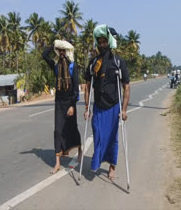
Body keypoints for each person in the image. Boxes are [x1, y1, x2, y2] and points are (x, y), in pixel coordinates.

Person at [84, 25, 130, 180]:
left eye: (105, 42)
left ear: (109, 43)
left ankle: (112, 167)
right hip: (98, 106)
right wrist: (86, 107)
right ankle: (96, 162)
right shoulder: (93, 63)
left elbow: (126, 87)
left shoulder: (118, 62)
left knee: (112, 138)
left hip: (113, 107)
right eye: (100, 42)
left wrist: (123, 110)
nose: (102, 44)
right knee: (97, 135)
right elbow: (87, 87)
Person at [42, 40, 82, 174]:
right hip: (59, 102)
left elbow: (76, 89)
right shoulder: (55, 66)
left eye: (64, 50)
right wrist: (53, 43)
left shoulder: (72, 66)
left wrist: (72, 105)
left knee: (72, 128)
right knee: (58, 130)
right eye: (60, 50)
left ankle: (80, 151)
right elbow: (44, 55)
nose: (62, 53)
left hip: (70, 102)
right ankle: (57, 162)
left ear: (68, 52)